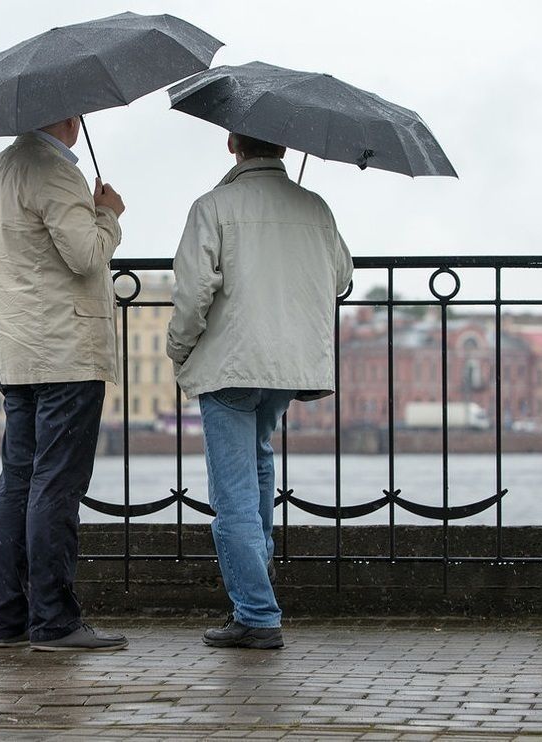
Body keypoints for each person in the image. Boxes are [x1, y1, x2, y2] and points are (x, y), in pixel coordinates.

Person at [166, 133, 353, 649]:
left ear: (232, 145)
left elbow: (193, 291)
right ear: (287, 148)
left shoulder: (213, 207)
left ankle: (256, 613)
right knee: (259, 468)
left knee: (234, 497)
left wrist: (179, 350)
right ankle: (255, 600)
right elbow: (341, 277)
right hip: (286, 367)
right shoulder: (315, 208)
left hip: (230, 364)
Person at [0, 115, 128, 652]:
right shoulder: (54, 173)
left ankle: (7, 620)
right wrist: (108, 216)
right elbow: (85, 256)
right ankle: (55, 621)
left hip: (13, 349)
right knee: (56, 484)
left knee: (17, 482)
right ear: (66, 118)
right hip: (66, 350)